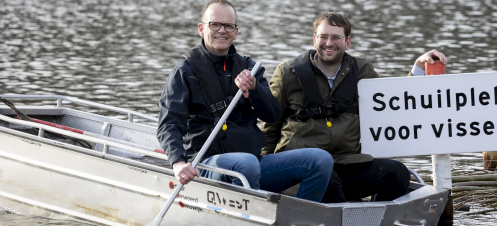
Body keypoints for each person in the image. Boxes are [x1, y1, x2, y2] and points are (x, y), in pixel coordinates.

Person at [261, 12, 448, 203]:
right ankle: (348, 219)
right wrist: (262, 175)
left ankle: (373, 222)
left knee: (397, 173)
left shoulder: (362, 69)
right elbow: (270, 126)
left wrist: (418, 66)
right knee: (327, 180)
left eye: (336, 37)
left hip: (347, 163)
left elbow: (391, 104)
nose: (329, 43)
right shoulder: (287, 72)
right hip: (302, 169)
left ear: (347, 42)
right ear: (314, 38)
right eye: (323, 37)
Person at [157, 0, 333, 202]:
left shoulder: (250, 68)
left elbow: (273, 115)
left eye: (228, 26)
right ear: (201, 28)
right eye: (215, 24)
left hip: (254, 163)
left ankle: (299, 220)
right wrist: (178, 163)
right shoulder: (184, 72)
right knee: (246, 163)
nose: (222, 30)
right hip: (207, 164)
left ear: (236, 32)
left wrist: (255, 89)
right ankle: (251, 220)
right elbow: (168, 124)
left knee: (321, 159)